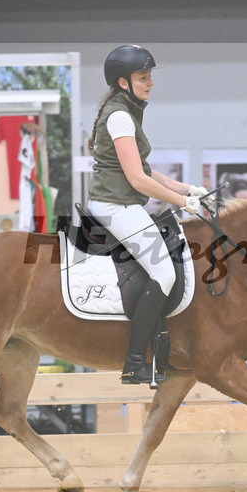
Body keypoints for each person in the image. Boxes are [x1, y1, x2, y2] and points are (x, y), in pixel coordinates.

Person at [87, 45, 207, 385]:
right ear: (124, 83)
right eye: (143, 77)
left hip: (120, 203)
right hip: (115, 206)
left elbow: (145, 170)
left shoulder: (128, 111)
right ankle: (135, 361)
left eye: (150, 76)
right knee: (165, 273)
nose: (150, 83)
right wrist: (181, 205)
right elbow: (137, 179)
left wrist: (187, 189)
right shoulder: (120, 116)